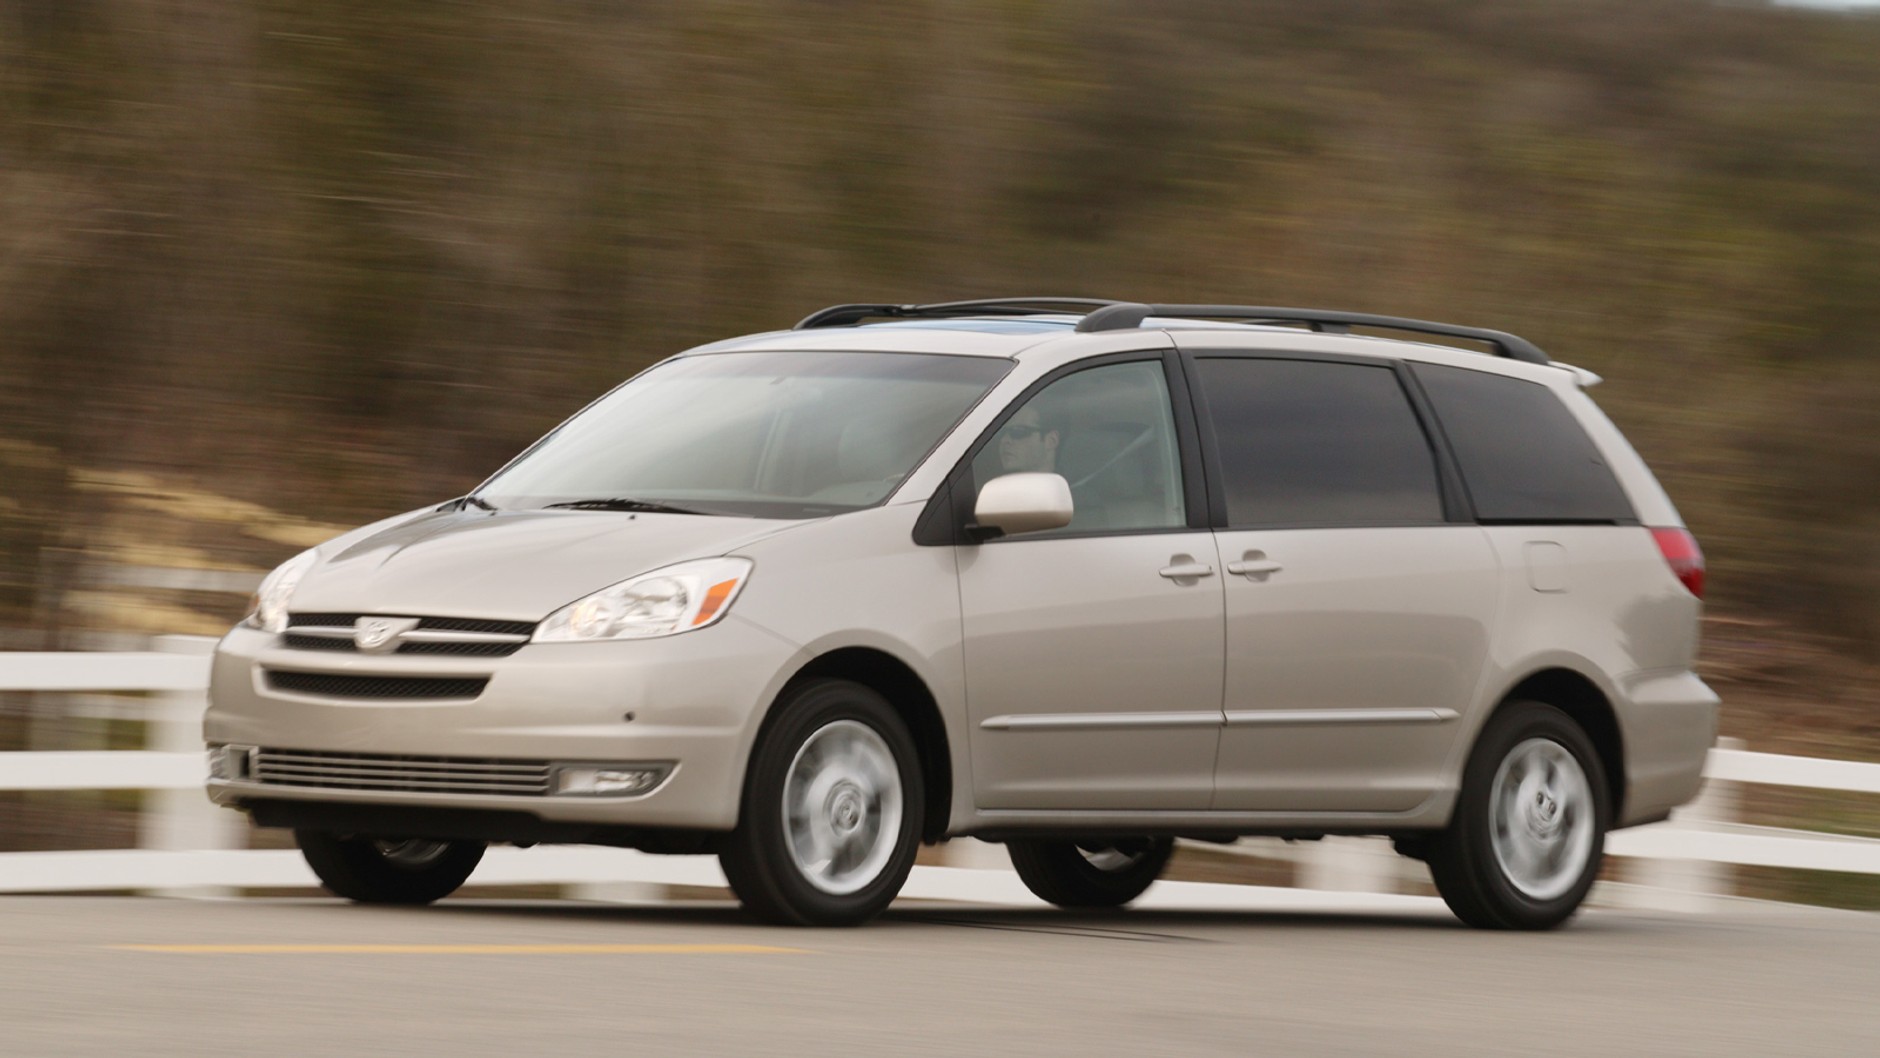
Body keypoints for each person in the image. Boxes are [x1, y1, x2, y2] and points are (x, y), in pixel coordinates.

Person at [997, 405, 1059, 474]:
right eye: (1001, 433)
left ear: (1051, 440)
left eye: (1018, 432)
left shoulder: (1068, 484)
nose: (1004, 440)